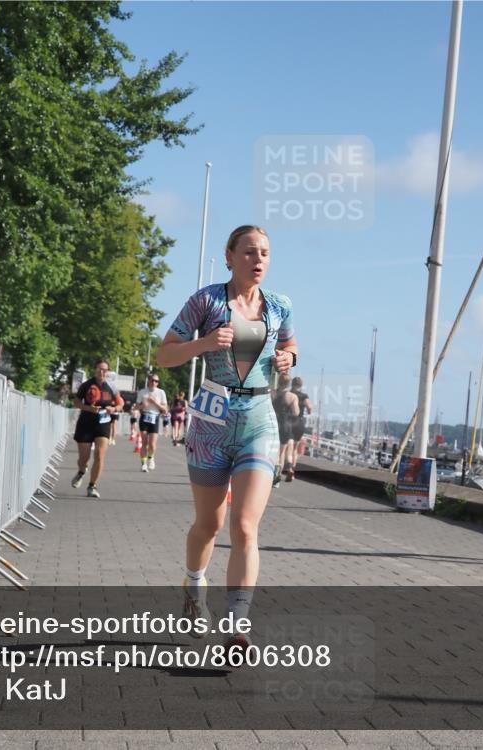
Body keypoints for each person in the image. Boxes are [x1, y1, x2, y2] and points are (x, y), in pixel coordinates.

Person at [156, 224, 296, 658]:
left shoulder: (279, 306)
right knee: (210, 526)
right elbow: (165, 354)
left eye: (266, 253)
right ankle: (194, 583)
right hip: (211, 425)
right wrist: (202, 343)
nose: (259, 261)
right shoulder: (206, 301)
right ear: (230, 255)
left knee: (245, 526)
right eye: (250, 252)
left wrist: (289, 360)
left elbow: (289, 348)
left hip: (257, 420)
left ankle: (237, 625)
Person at [72, 359, 124, 498]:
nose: (102, 372)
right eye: (100, 369)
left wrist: (113, 408)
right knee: (84, 458)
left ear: (108, 372)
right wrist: (88, 408)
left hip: (103, 423)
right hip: (86, 423)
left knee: (100, 455)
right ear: (95, 370)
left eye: (105, 370)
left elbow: (120, 403)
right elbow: (76, 402)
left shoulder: (111, 387)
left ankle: (92, 486)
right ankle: (82, 471)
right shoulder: (86, 385)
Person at [136, 372, 168, 472]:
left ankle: (151, 458)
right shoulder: (142, 392)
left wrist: (154, 402)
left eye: (156, 381)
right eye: (152, 380)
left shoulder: (161, 392)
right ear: (149, 381)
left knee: (152, 444)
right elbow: (136, 406)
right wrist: (143, 405)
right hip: (144, 416)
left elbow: (165, 409)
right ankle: (144, 464)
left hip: (155, 417)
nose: (154, 382)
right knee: (144, 442)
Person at [272, 374, 299, 486]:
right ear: (288, 384)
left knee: (269, 450)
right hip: (285, 425)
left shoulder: (271, 393)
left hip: (272, 422)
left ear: (278, 381)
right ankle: (277, 478)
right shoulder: (292, 397)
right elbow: (296, 413)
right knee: (281, 452)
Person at [289, 376, 313, 477]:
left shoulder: (288, 394)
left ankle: (280, 469)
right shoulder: (304, 396)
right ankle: (291, 469)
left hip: (287, 422)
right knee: (294, 449)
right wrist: (308, 411)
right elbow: (310, 408)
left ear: (292, 384)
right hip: (299, 423)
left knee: (284, 447)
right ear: (301, 385)